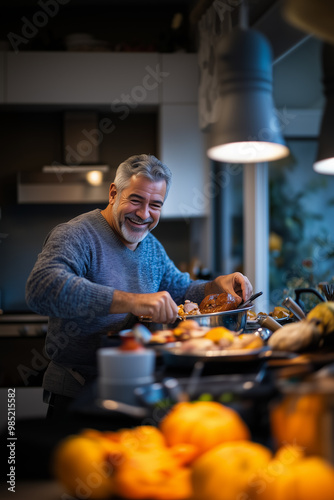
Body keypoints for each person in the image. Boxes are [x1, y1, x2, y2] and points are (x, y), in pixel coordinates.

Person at [26, 154, 253, 416]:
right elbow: (41, 289)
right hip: (78, 391)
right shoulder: (75, 234)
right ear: (114, 193)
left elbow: (180, 290)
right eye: (135, 200)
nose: (144, 214)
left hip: (137, 385)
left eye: (155, 205)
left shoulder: (151, 247)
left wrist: (216, 285)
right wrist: (133, 300)